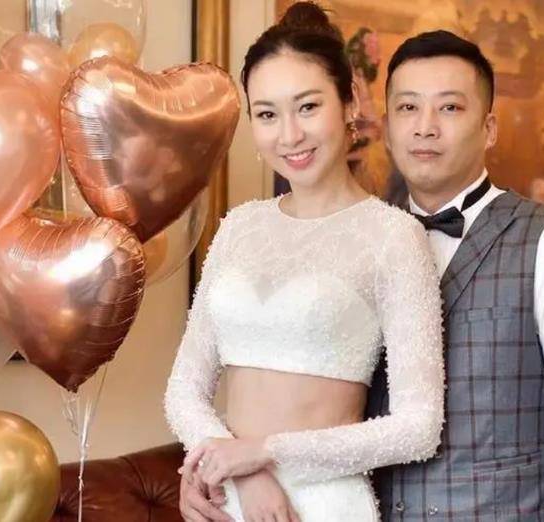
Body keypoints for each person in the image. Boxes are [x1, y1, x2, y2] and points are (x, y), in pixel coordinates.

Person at [164, 4, 445, 521]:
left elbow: (418, 427)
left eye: (308, 107)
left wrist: (266, 453)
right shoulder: (238, 226)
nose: (289, 134)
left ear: (349, 102)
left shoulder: (393, 236)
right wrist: (241, 470)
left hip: (323, 504)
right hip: (228, 499)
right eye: (267, 114)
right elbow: (183, 389)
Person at [366, 30, 544, 520]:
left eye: (449, 107)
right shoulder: (363, 240)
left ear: (489, 129)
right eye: (408, 108)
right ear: (387, 128)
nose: (425, 127)